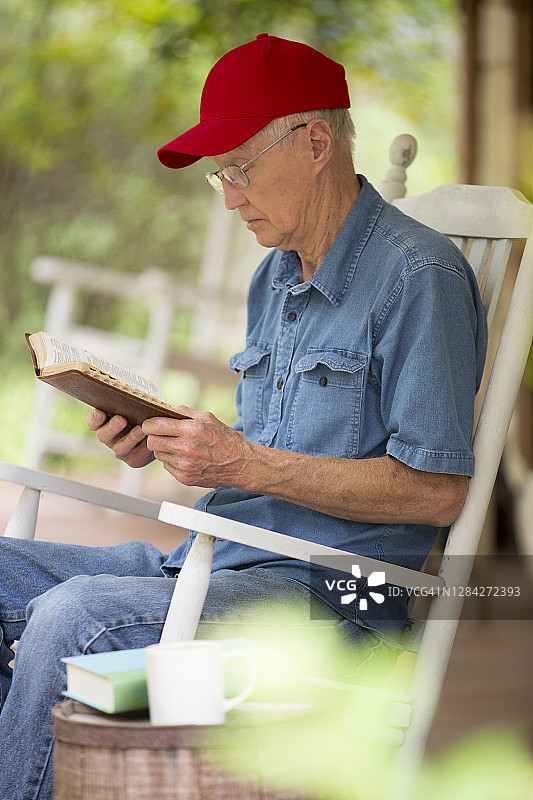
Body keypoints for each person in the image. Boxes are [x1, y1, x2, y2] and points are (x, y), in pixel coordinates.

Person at [0, 34, 486, 800]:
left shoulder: (419, 277)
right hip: (210, 563)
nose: (228, 197)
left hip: (327, 599)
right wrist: (159, 441)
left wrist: (242, 464)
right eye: (217, 177)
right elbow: (269, 450)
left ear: (315, 142)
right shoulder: (274, 275)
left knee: (73, 614)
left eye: (239, 169)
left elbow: (436, 493)